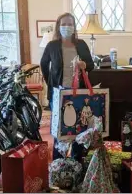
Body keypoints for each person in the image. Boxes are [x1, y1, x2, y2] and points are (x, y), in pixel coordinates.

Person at [40, 12, 94, 160]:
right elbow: (43, 63)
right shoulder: (52, 45)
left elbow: (91, 65)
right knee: (59, 130)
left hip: (78, 92)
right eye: (64, 24)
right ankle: (58, 162)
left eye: (70, 24)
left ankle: (77, 160)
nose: (67, 27)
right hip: (58, 94)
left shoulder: (81, 44)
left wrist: (84, 65)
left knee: (78, 127)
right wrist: (49, 82)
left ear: (74, 26)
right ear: (59, 26)